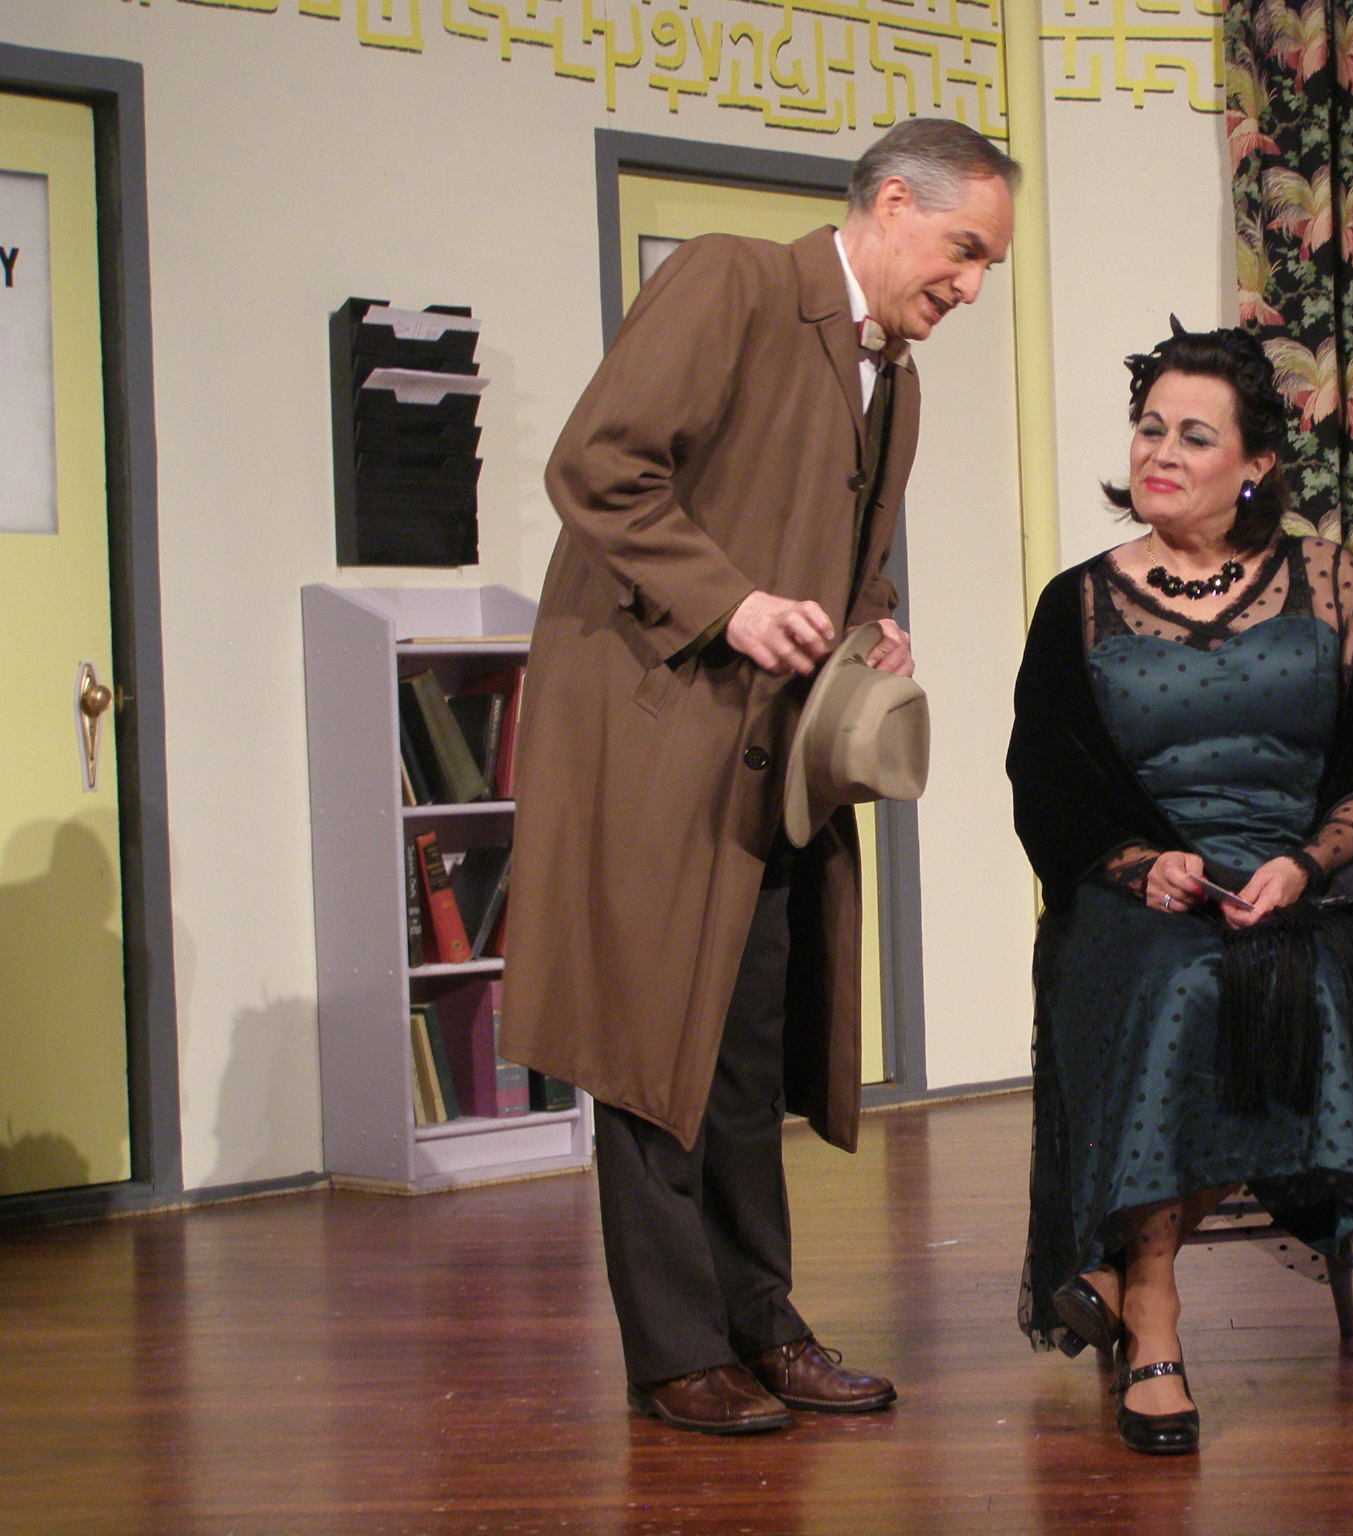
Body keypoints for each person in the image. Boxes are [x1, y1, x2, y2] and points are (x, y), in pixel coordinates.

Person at [499, 120, 1018, 1436]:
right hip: (656, 735)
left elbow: (839, 547)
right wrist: (729, 604)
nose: (970, 287)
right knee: (649, 1043)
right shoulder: (733, 279)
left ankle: (760, 1322)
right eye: (963, 251)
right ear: (891, 204)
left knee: (744, 1045)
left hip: (776, 754)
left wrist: (874, 620)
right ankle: (677, 1352)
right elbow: (598, 466)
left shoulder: (893, 378)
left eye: (988, 267)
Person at [1006, 323, 1353, 1456]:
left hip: (1299, 880)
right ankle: (1157, 1312)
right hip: (1140, 893)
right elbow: (1046, 792)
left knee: (1290, 983)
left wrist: (1305, 864)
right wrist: (1139, 862)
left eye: (1193, 436)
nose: (1159, 453)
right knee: (1182, 983)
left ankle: (1123, 1276)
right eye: (1148, 428)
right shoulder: (1076, 603)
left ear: (1255, 463)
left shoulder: (1331, 580)